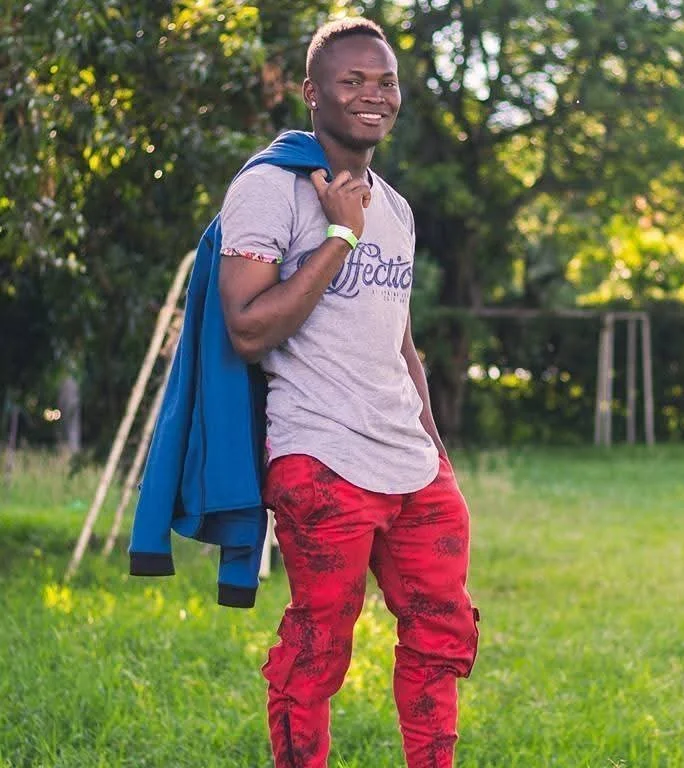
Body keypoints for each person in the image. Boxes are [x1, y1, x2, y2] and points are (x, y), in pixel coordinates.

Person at [218, 17, 479, 768]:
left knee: (443, 633)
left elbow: (400, 340)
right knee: (318, 646)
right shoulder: (269, 188)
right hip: (322, 455)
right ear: (313, 93)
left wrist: (436, 451)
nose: (374, 95)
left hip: (410, 461)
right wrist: (340, 236)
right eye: (353, 80)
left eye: (386, 81)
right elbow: (247, 328)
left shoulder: (395, 207)